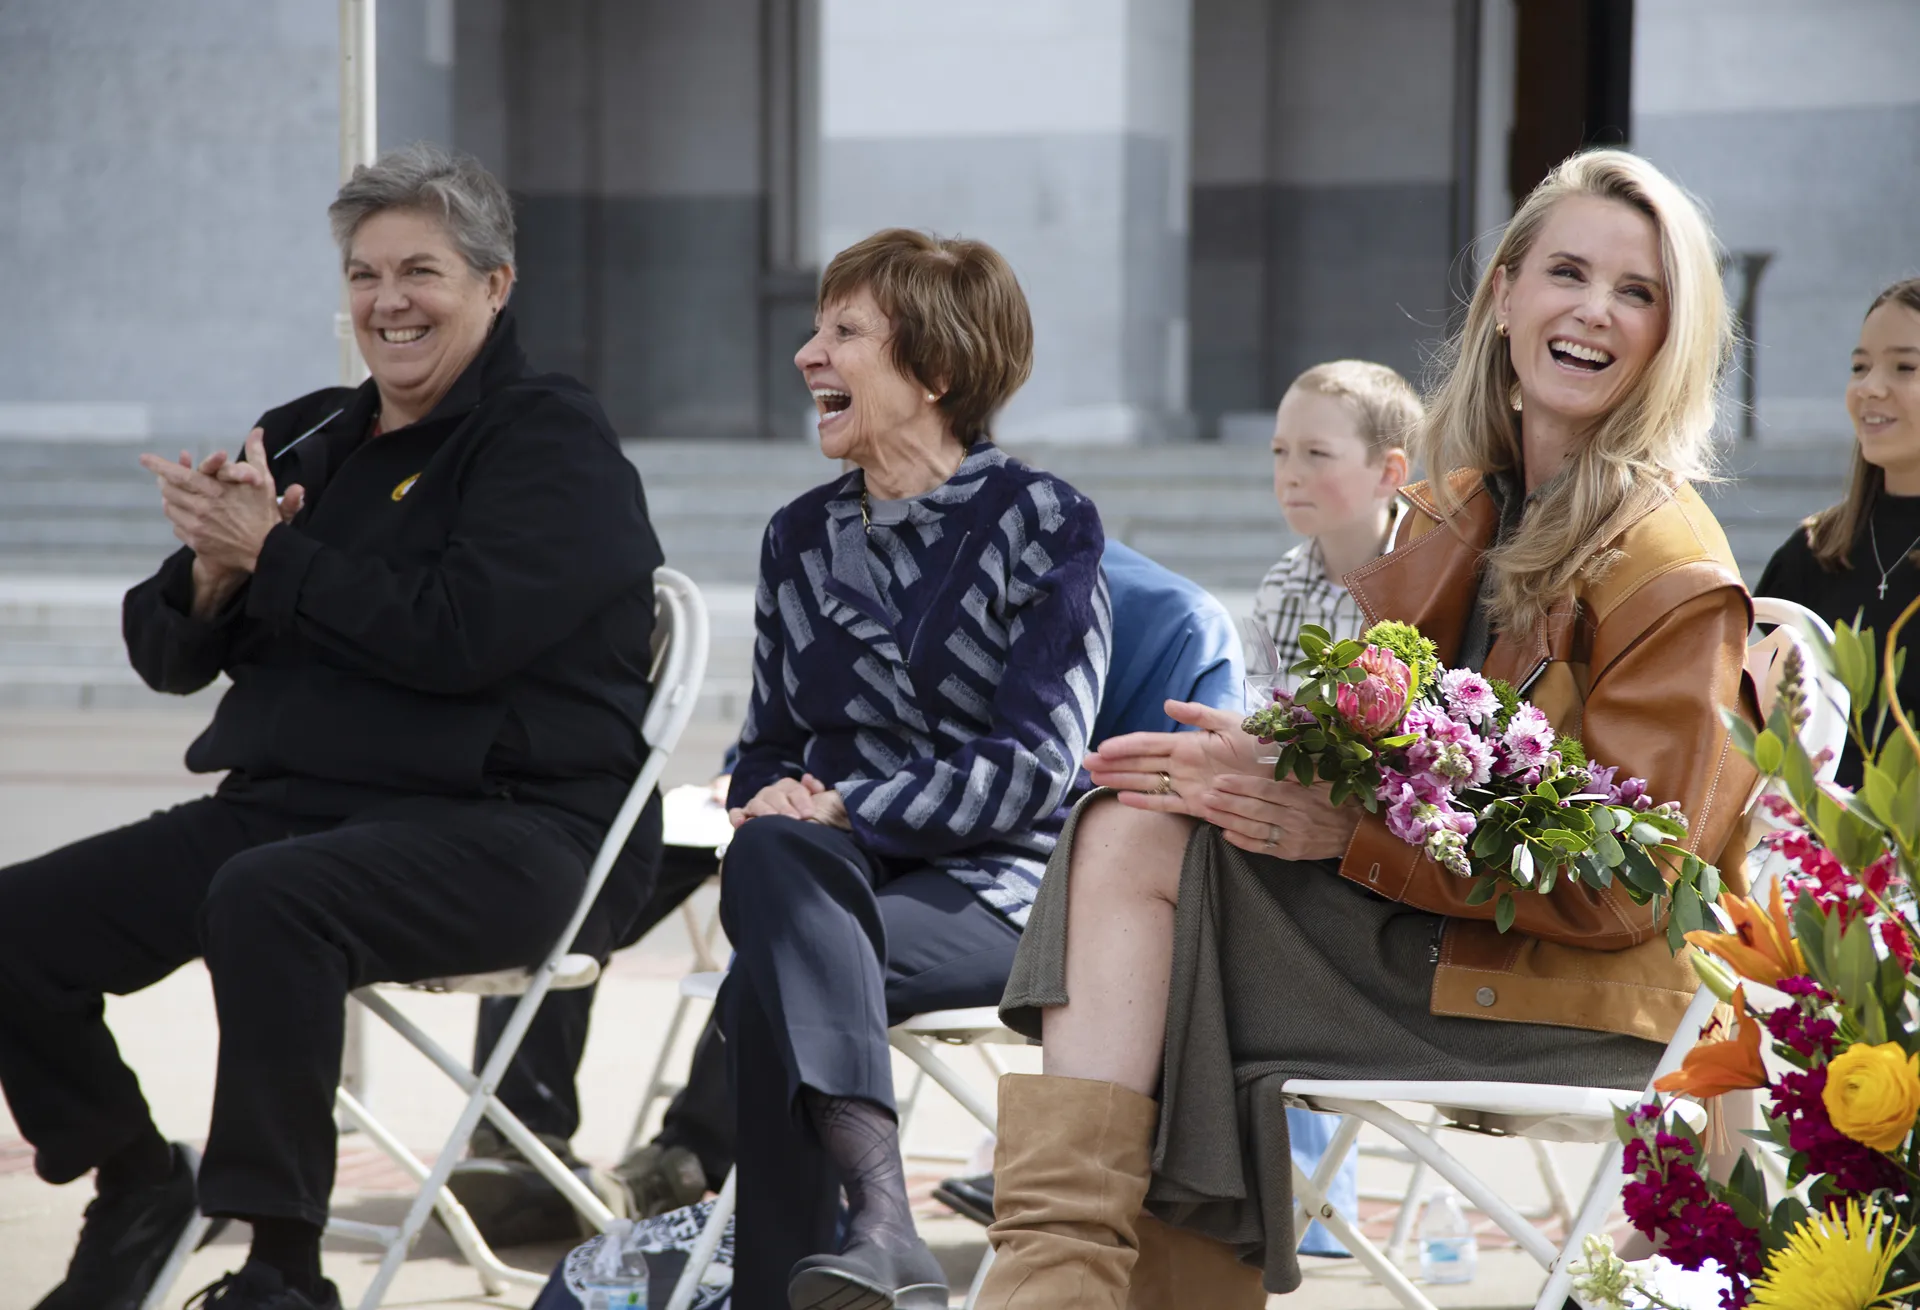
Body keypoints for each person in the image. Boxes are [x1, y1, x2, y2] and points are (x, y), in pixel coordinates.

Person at [976, 147, 1762, 1307]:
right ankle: (1059, 1272)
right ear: (1505, 297)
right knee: (1143, 815)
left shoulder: (1671, 565)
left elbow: (1632, 884)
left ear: (1667, 335)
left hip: (1573, 990)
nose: (1595, 309)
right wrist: (1266, 766)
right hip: (1436, 934)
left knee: (1148, 873)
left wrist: (1341, 832)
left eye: (1637, 292)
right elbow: (1385, 758)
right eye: (1567, 273)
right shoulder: (1463, 510)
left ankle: (1057, 1280)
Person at [0, 143, 664, 1310]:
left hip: (516, 830)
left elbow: (459, 635)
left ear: (495, 285)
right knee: (15, 925)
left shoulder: (551, 439)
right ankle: (139, 1181)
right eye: (364, 274)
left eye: (422, 271)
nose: (388, 302)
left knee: (274, 893)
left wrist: (279, 557)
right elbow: (166, 658)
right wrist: (212, 572)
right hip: (292, 807)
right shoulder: (309, 433)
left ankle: (280, 1269)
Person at [720, 228, 1108, 1310]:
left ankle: (840, 1251)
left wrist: (844, 805)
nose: (808, 354)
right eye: (816, 327)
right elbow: (761, 740)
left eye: (844, 332)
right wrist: (774, 791)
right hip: (825, 874)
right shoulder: (797, 536)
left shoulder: (1041, 522)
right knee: (775, 860)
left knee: (776, 974)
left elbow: (1038, 762)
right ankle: (882, 1227)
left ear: (936, 370)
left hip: (995, 887)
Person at [1756, 278, 1920, 789]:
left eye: (1905, 367)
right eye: (1859, 366)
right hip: (1816, 857)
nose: (1870, 386)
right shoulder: (1812, 553)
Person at [1253, 360, 1418, 665]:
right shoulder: (1278, 586)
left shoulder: (1430, 584)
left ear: (1388, 473)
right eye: (1280, 451)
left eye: (1317, 453)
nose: (1290, 474)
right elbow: (1262, 705)